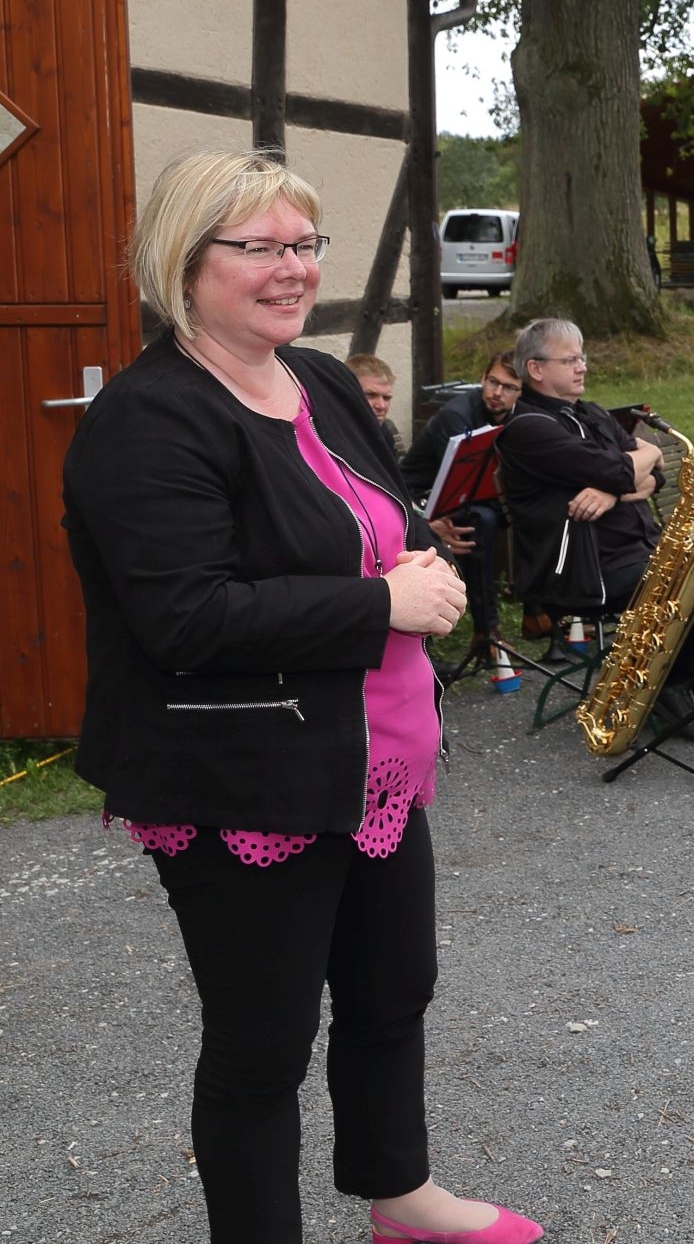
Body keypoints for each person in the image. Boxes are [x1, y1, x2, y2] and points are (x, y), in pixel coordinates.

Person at [59, 149, 541, 1244]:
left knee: (392, 991)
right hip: (242, 777)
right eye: (261, 248)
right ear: (185, 262)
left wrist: (420, 557)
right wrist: (380, 602)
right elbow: (186, 619)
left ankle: (400, 1193)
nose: (294, 269)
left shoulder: (317, 377)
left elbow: (384, 511)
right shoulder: (148, 420)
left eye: (305, 244)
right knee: (261, 1045)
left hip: (373, 759)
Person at [494, 317, 694, 723]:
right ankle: (666, 687)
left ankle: (673, 678)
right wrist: (634, 465)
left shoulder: (591, 413)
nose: (582, 367)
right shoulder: (527, 429)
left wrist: (613, 488)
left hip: (640, 548)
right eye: (570, 360)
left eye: (582, 358)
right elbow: (625, 468)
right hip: (586, 569)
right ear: (536, 369)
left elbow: (654, 474)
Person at [400, 350, 521, 651]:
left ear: (521, 392)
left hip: (476, 494)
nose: (497, 392)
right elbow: (460, 481)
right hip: (422, 496)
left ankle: (538, 611)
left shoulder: (519, 415)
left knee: (529, 508)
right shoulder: (456, 416)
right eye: (492, 381)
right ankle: (486, 630)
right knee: (480, 521)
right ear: (482, 378)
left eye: (508, 387)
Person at [347, 351, 405, 461]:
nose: (381, 406)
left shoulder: (383, 432)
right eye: (370, 395)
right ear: (347, 392)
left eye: (387, 398)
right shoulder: (326, 434)